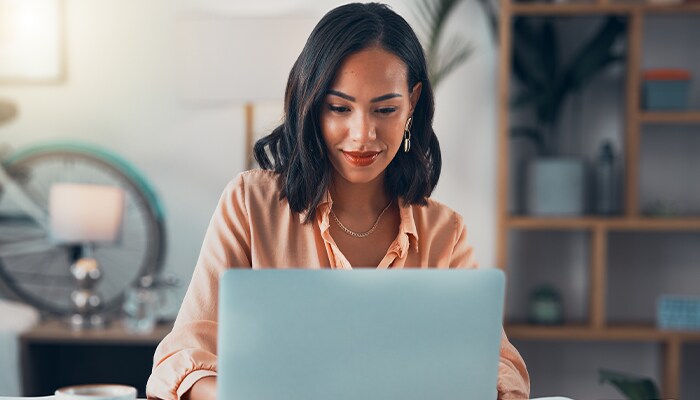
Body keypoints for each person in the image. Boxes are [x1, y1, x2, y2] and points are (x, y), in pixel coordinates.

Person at [146, 3, 529, 399]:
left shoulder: (443, 232)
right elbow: (183, 356)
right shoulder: (249, 203)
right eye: (339, 108)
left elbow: (499, 365)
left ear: (412, 103)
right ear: (311, 106)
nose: (362, 134)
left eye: (385, 109)